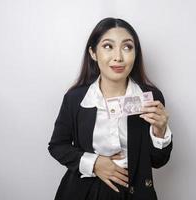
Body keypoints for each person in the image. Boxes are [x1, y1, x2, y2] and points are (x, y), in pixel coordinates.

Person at [48, 17, 173, 200]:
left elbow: (158, 161)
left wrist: (160, 131)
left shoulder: (151, 98)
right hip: (84, 192)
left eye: (127, 47)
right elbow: (57, 146)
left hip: (135, 193)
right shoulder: (75, 99)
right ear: (93, 53)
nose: (118, 57)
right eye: (108, 46)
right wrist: (94, 163)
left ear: (135, 53)